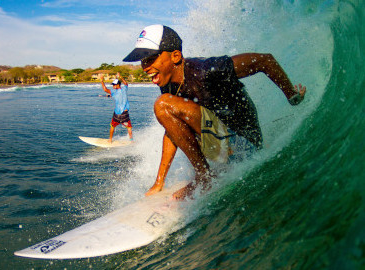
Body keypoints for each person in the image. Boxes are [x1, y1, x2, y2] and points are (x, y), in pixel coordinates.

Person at [123, 24, 306, 200]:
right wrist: (159, 181)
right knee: (166, 110)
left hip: (244, 147)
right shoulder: (168, 85)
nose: (145, 66)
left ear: (176, 56)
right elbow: (172, 130)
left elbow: (265, 60)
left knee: (163, 105)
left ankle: (204, 177)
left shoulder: (208, 70)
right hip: (223, 145)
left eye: (150, 59)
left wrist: (292, 96)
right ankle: (204, 174)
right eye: (142, 60)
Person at [99, 72, 133, 143]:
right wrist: (120, 77)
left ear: (118, 85)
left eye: (114, 85)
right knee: (128, 127)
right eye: (113, 85)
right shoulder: (124, 89)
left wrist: (102, 81)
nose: (113, 86)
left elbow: (105, 89)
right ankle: (131, 140)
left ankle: (110, 140)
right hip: (125, 113)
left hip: (117, 114)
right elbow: (126, 83)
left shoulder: (114, 92)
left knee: (112, 126)